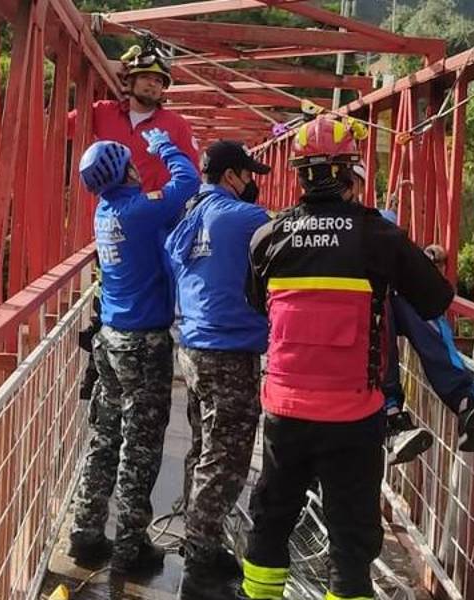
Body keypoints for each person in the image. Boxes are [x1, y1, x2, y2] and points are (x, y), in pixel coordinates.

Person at [239, 116, 455, 600]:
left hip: (284, 408)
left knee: (271, 518)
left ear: (299, 175)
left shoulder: (268, 238)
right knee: (350, 539)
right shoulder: (378, 236)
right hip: (353, 415)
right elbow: (434, 301)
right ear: (348, 174)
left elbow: (257, 304)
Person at [67, 129, 199, 575]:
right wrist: (165, 146)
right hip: (143, 344)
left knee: (105, 438)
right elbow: (188, 182)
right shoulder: (140, 210)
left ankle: (85, 534)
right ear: (123, 171)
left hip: (109, 339)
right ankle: (131, 545)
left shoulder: (105, 210)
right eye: (131, 162)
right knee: (140, 446)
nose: (137, 166)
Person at [164, 141, 272, 599]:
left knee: (204, 445)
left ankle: (198, 539)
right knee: (226, 455)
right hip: (229, 349)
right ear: (231, 176)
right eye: (247, 174)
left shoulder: (191, 216)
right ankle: (201, 557)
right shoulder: (247, 219)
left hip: (193, 345)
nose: (252, 182)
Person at [346, 165, 474, 464]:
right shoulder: (372, 228)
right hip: (354, 338)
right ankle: (463, 400)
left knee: (393, 299)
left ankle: (396, 412)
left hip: (339, 343)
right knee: (393, 300)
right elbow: (436, 297)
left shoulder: (304, 231)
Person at [71, 43, 199, 193]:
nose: (152, 84)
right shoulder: (103, 112)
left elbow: (193, 173)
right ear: (130, 81)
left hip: (155, 212)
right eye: (145, 77)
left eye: (158, 81)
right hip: (110, 211)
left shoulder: (177, 125)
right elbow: (56, 126)